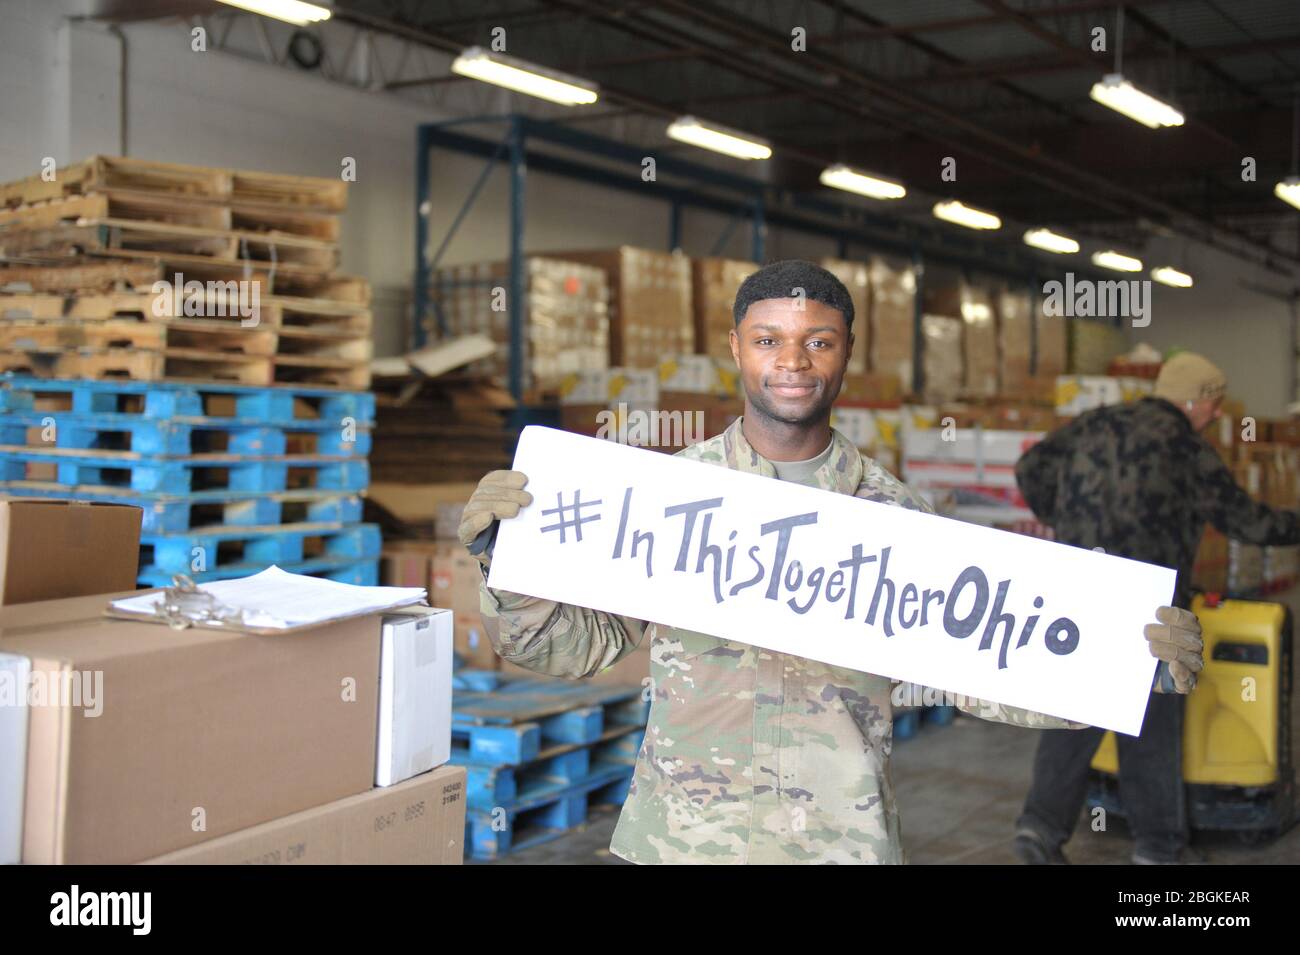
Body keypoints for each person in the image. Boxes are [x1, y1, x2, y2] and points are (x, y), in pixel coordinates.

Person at [459, 259, 1204, 865]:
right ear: (736, 348)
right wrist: (510, 567)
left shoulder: (896, 521)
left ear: (846, 350)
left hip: (840, 845)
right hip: (681, 842)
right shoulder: (667, 498)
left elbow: (981, 670)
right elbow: (567, 647)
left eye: (818, 340)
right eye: (768, 339)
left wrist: (1121, 660)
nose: (792, 361)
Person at [1012, 351, 1300, 865]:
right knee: (1150, 725)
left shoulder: (1094, 422)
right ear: (1195, 400)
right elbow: (1248, 523)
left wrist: (1064, 519)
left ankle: (1038, 831)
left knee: (1075, 715)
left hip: (1080, 590)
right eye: (1213, 404)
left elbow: (1031, 466)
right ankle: (1159, 851)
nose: (1216, 415)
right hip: (1152, 605)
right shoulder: (1187, 446)